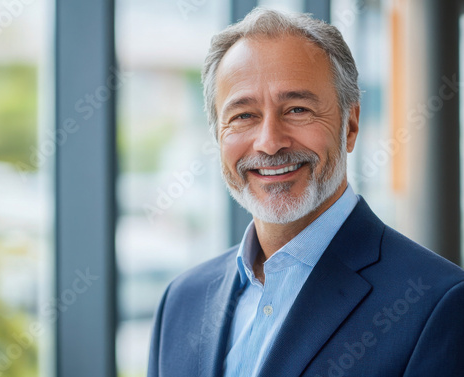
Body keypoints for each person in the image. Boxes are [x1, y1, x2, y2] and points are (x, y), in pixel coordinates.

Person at [147, 8, 464, 377]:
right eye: (243, 115)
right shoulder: (180, 302)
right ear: (218, 134)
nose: (269, 143)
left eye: (297, 109)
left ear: (350, 125)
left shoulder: (438, 304)